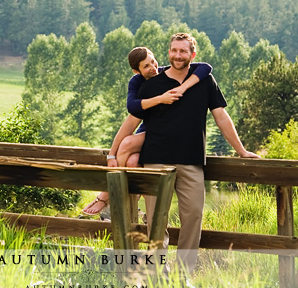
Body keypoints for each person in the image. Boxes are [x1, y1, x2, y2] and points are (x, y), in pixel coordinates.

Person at [133, 33, 259, 276]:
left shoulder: (205, 81)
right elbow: (132, 117)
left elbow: (221, 116)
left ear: (192, 54)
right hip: (156, 159)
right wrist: (113, 153)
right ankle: (159, 273)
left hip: (191, 160)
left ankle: (183, 275)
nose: (177, 55)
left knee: (193, 216)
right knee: (155, 220)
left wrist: (240, 150)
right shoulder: (152, 84)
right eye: (173, 50)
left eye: (183, 51)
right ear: (168, 52)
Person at [81, 46, 212, 215]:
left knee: (128, 144)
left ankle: (106, 196)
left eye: (153, 61)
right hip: (148, 130)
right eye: (146, 66)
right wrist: (111, 155)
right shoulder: (137, 82)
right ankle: (130, 208)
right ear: (137, 71)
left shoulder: (165, 73)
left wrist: (182, 88)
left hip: (164, 136)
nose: (153, 67)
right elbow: (132, 107)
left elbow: (206, 67)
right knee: (132, 162)